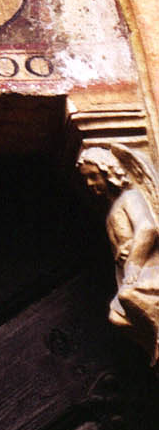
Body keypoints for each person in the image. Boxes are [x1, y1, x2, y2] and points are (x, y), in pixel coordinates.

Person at [78, 145, 159, 364]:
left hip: (146, 269)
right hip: (131, 272)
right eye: (87, 179)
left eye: (94, 176)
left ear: (109, 171)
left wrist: (133, 263)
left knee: (127, 297)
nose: (90, 184)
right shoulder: (113, 209)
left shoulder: (130, 197)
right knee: (117, 316)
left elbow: (147, 228)